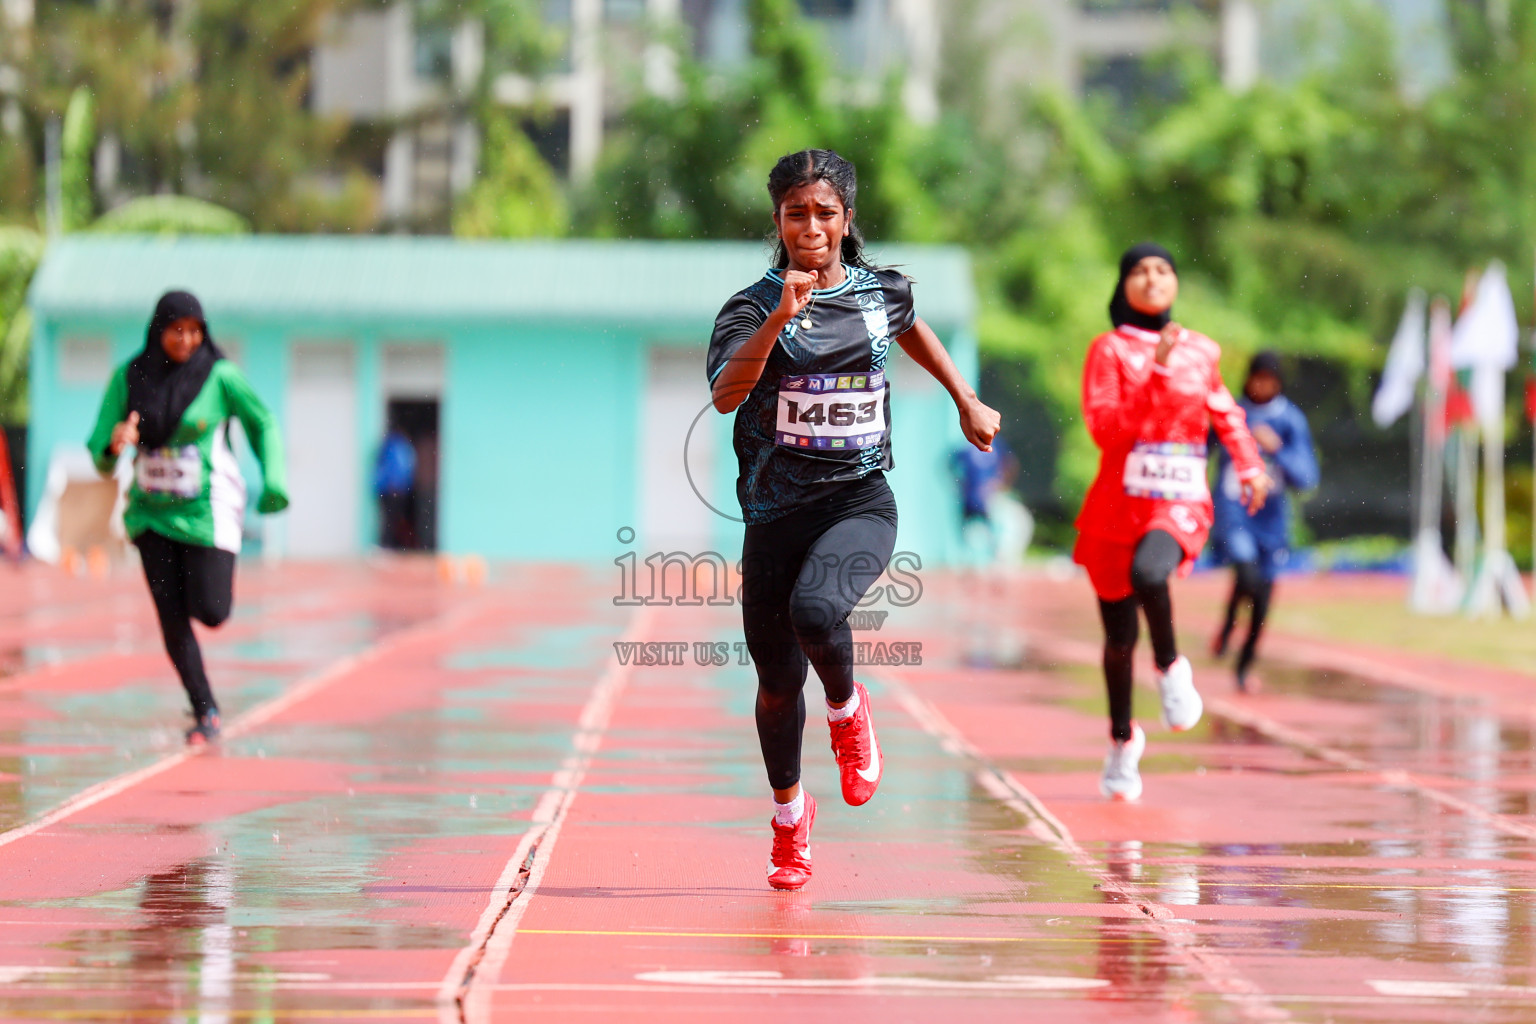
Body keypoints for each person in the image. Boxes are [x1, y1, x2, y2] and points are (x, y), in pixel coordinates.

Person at [708, 149, 1000, 890]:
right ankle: (789, 820)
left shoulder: (882, 293)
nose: (811, 227)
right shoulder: (749, 306)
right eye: (796, 213)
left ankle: (847, 707)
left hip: (858, 499)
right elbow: (725, 397)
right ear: (777, 219)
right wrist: (780, 318)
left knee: (817, 609)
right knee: (776, 684)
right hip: (775, 514)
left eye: (825, 213)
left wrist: (965, 398)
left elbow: (914, 330)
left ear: (847, 220)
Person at [1073, 244, 1270, 801]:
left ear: (1176, 284)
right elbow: (1108, 430)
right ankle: (1121, 739)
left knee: (1151, 574)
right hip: (1116, 504)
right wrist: (1156, 370)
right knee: (1117, 639)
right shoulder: (1108, 350)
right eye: (1139, 269)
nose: (1152, 278)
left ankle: (1169, 667)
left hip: (1177, 498)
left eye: (1163, 270)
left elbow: (1225, 414)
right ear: (1124, 285)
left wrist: (1250, 464)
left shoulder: (1201, 351)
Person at [88, 291, 288, 745]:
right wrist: (115, 443)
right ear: (158, 331)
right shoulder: (129, 378)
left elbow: (263, 422)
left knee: (212, 611)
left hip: (206, 509)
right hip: (151, 515)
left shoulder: (220, 376)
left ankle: (205, 700)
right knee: (171, 615)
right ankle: (206, 710)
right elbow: (100, 452)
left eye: (195, 330)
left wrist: (274, 479)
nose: (186, 340)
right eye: (177, 330)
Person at [1210, 351, 1318, 692]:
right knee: (1246, 572)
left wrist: (1277, 449)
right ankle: (1229, 623)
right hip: (1235, 510)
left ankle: (1244, 664)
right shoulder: (1232, 412)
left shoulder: (1291, 420)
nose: (1262, 386)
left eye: (1269, 380)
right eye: (1257, 378)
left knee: (1263, 597)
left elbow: (1306, 477)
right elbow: (1200, 448)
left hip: (1272, 520)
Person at [375, 424, 418, 549]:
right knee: (391, 520)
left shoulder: (392, 446)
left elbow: (390, 468)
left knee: (389, 520)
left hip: (391, 489)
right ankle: (388, 545)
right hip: (395, 490)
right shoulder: (402, 447)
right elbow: (405, 469)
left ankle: (388, 545)